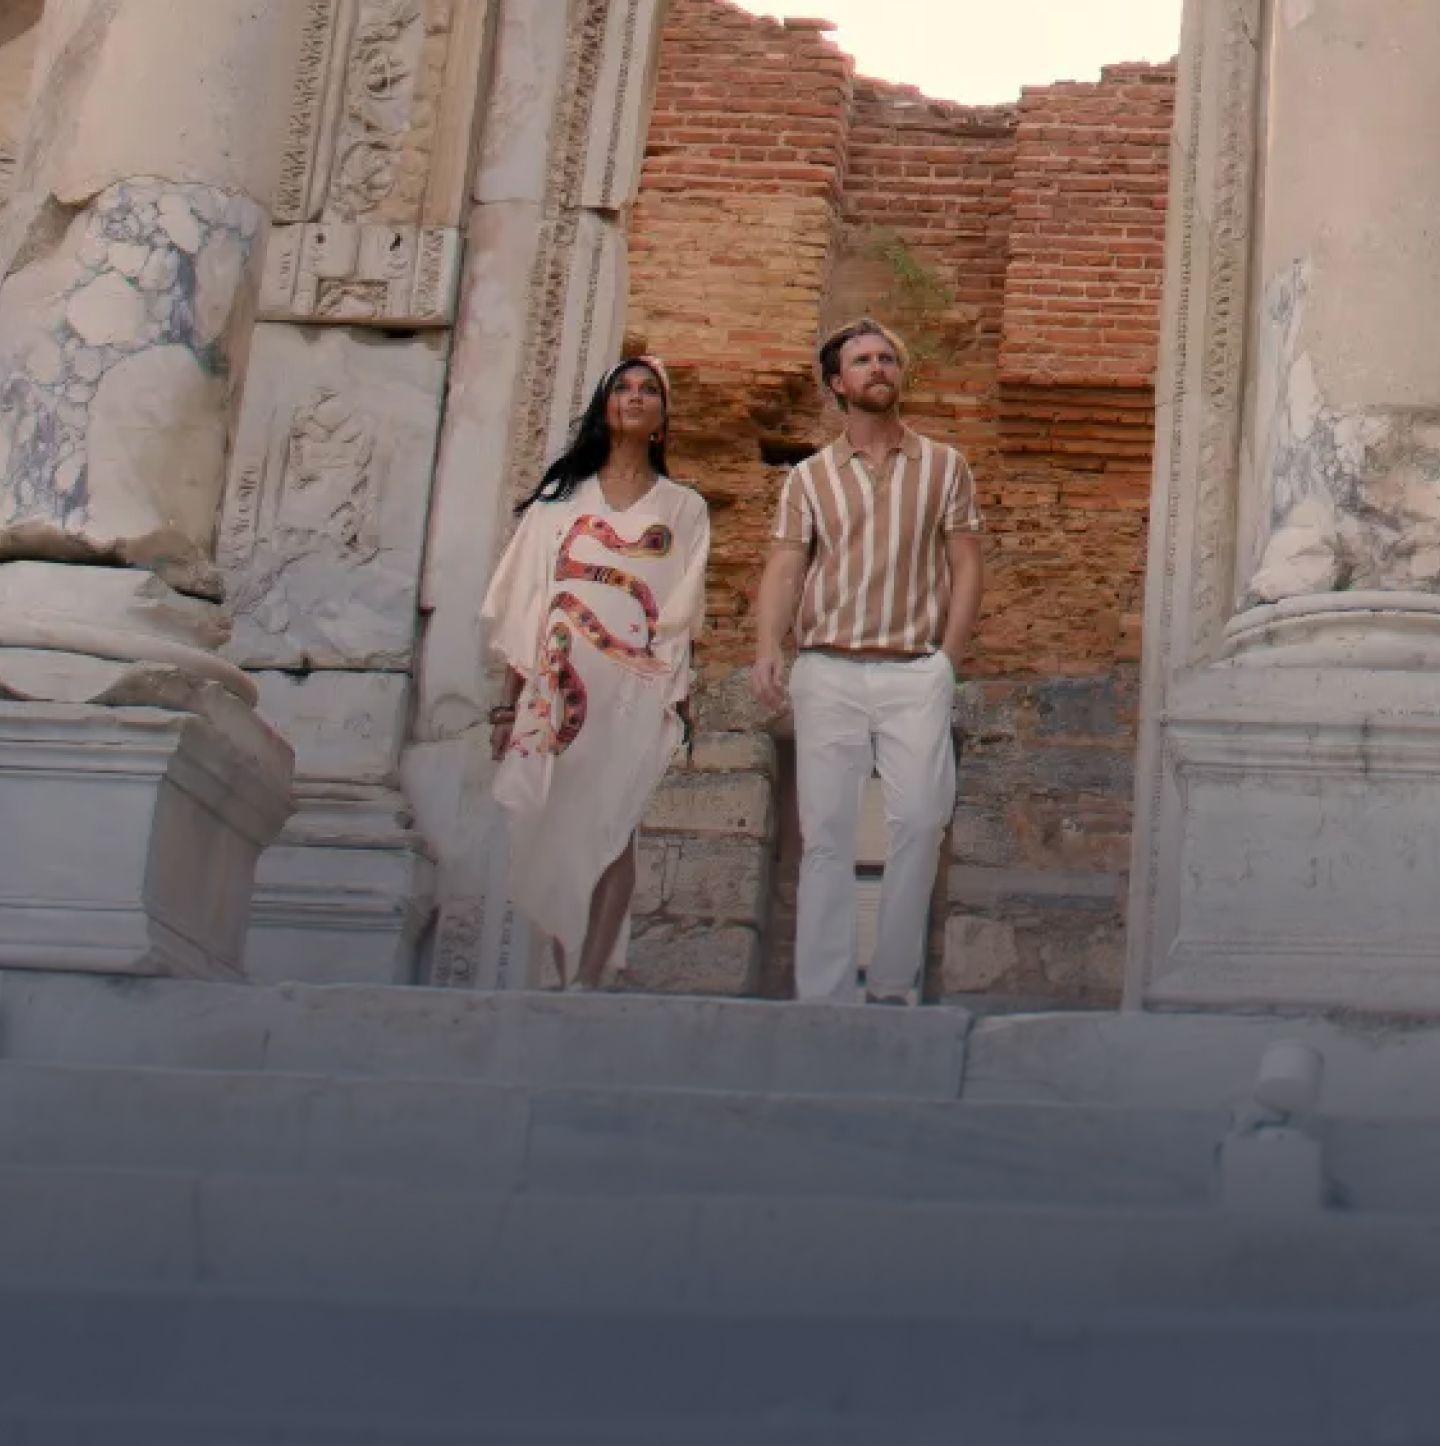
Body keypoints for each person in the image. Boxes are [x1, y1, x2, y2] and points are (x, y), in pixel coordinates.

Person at [752, 319, 984, 1004]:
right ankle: (824, 994)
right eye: (862, 360)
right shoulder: (809, 477)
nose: (878, 367)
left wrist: (948, 659)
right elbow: (786, 564)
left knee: (921, 821)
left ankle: (890, 984)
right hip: (828, 666)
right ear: (837, 383)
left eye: (887, 358)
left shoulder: (944, 465)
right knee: (826, 832)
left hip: (915, 668)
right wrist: (767, 647)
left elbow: (967, 564)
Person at [482, 356, 710, 991]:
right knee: (554, 824)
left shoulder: (685, 508)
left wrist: (677, 691)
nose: (634, 397)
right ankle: (563, 975)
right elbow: (527, 604)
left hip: (635, 686)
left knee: (616, 822)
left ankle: (588, 977)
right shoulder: (557, 506)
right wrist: (506, 705)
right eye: (623, 388)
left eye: (648, 390)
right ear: (604, 408)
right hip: (559, 682)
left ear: (663, 416)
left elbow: (684, 608)